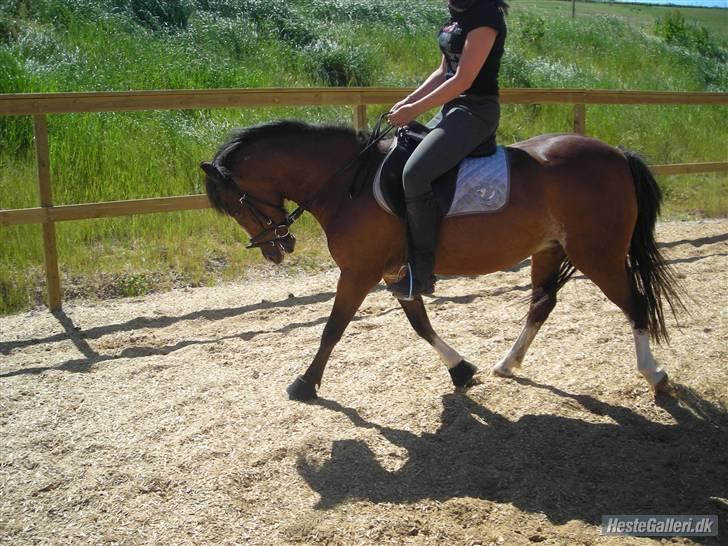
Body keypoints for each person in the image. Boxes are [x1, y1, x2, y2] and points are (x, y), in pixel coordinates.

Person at [386, 0, 508, 301]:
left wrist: (416, 108)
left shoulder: (485, 16)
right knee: (398, 155)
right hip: (453, 107)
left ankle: (423, 271)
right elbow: (443, 71)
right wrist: (407, 102)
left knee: (415, 175)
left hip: (476, 111)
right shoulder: (457, 14)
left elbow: (464, 78)